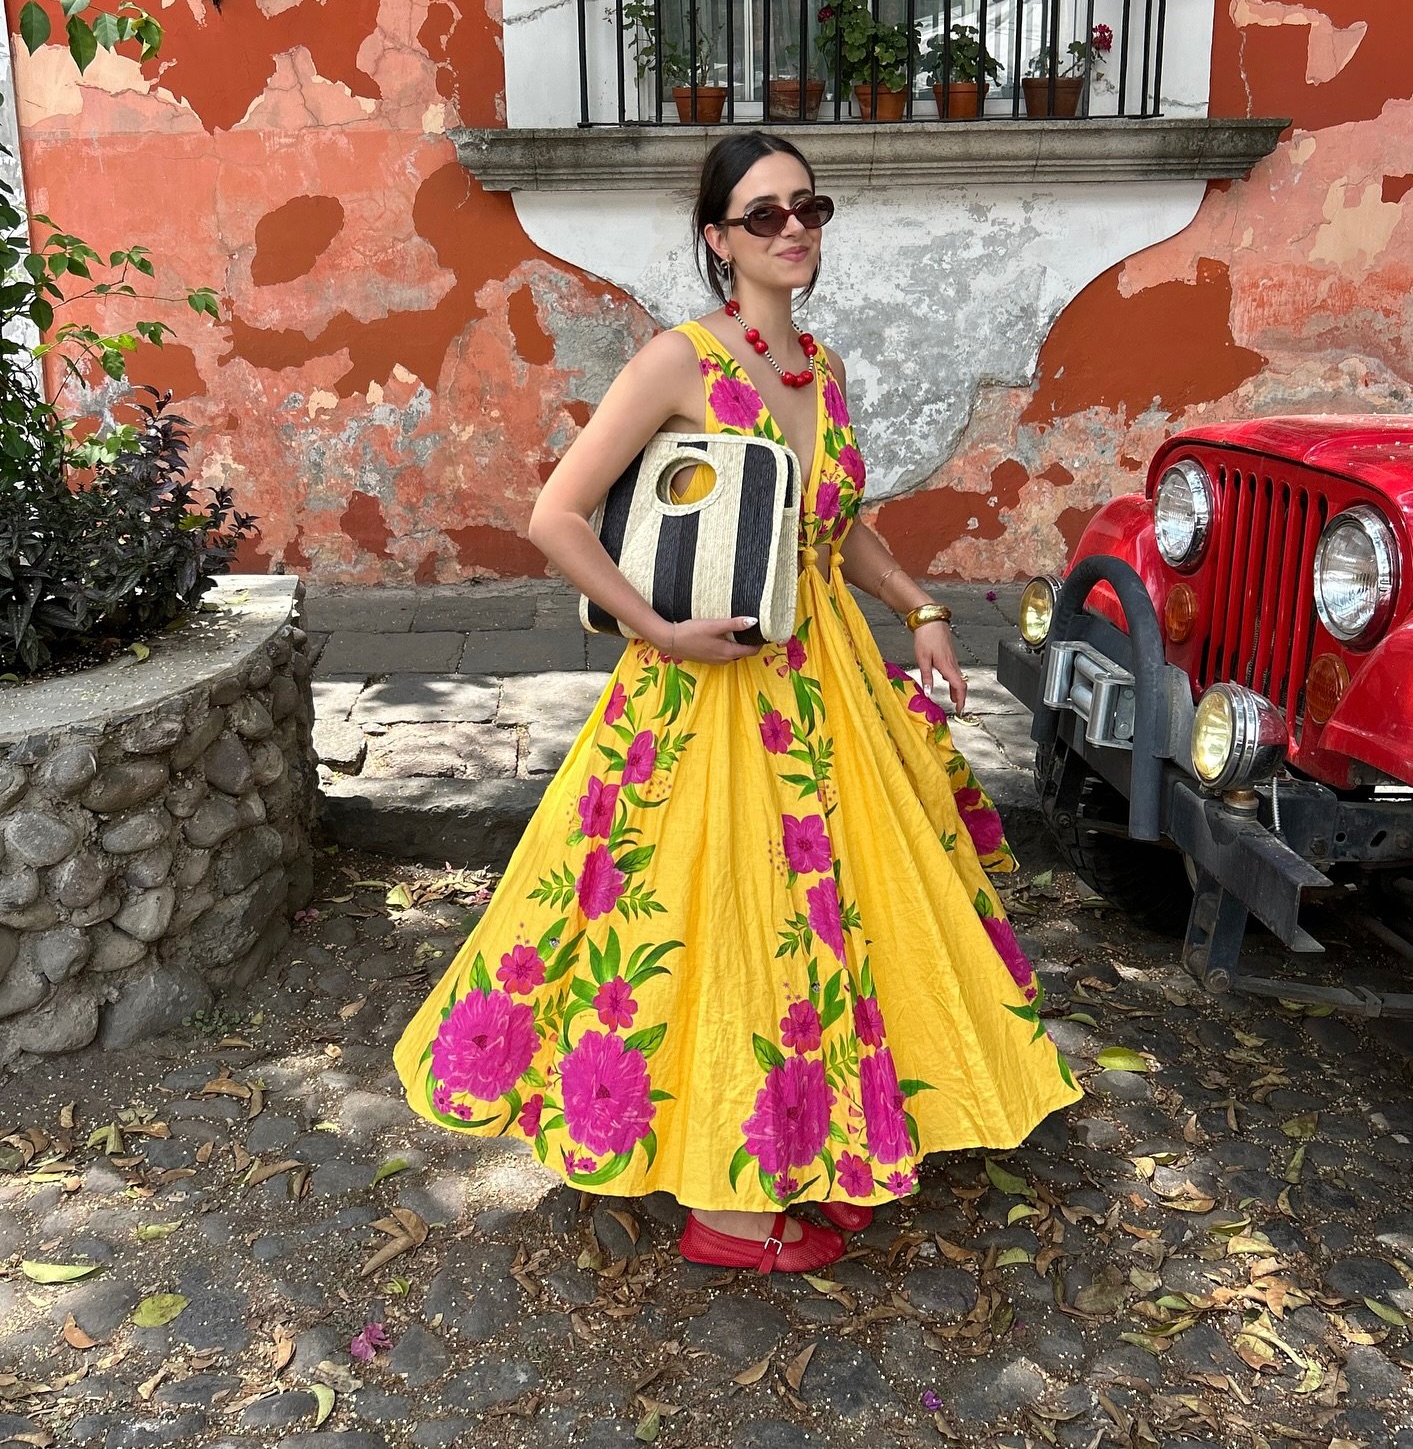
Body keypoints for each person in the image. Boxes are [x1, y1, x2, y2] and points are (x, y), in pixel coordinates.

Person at [393, 130, 1079, 1274]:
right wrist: (652, 628)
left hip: (834, 682)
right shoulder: (678, 361)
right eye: (763, 214)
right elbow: (556, 515)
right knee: (728, 919)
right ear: (719, 240)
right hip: (710, 687)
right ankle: (732, 1201)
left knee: (843, 912)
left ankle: (826, 1139)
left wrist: (920, 608)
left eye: (807, 206)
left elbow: (835, 521)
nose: (793, 228)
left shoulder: (828, 365)